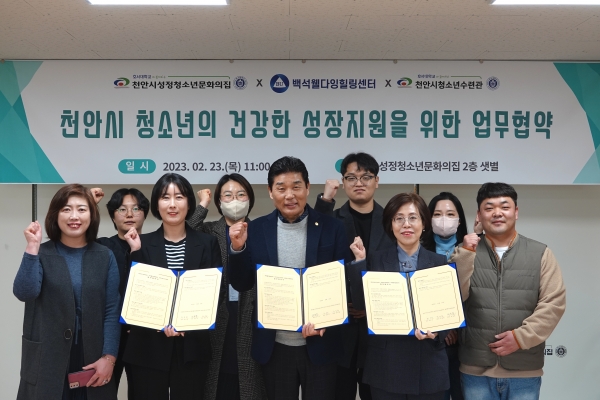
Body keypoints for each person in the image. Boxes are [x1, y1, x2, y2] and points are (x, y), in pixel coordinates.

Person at [228, 156, 348, 400]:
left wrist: (328, 318)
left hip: (320, 342)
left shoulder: (332, 228)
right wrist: (237, 249)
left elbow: (342, 284)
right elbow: (242, 283)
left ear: (308, 187)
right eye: (281, 188)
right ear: (270, 192)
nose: (290, 195)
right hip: (275, 345)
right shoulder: (257, 229)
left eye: (296, 187)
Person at [451, 182, 566, 400]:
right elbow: (452, 298)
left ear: (516, 212)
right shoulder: (465, 251)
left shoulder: (540, 253)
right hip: (476, 370)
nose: (497, 213)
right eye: (489, 208)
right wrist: (466, 253)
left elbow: (554, 303)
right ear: (479, 215)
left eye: (504, 207)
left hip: (524, 370)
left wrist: (521, 337)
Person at [13, 184, 121, 400]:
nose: (74, 216)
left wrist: (109, 358)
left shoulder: (104, 256)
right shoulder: (42, 253)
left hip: (92, 356)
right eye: (66, 209)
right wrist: (32, 248)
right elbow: (25, 293)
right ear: (55, 214)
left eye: (81, 209)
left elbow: (112, 310)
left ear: (92, 214)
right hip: (47, 355)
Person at [122, 173, 221, 400]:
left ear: (189, 203)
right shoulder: (141, 243)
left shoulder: (207, 243)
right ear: (157, 204)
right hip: (147, 346)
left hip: (192, 345)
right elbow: (134, 294)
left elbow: (216, 292)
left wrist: (187, 322)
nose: (173, 204)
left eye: (179, 197)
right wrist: (135, 252)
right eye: (165, 197)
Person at [349, 192, 450, 400]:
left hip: (428, 365)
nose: (406, 224)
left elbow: (450, 312)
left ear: (424, 223)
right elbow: (360, 303)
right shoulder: (375, 260)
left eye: (413, 218)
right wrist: (359, 261)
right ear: (391, 224)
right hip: (386, 364)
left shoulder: (439, 262)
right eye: (399, 218)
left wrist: (437, 331)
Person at [314, 152, 395, 400]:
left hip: (380, 329)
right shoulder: (333, 219)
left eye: (366, 177)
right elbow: (315, 250)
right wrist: (325, 200)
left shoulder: (392, 221)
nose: (359, 183)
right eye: (351, 177)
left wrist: (370, 306)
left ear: (376, 181)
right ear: (343, 182)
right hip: (341, 328)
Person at [188, 174, 267, 400]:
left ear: (250, 200)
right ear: (219, 202)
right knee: (216, 382)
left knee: (248, 384)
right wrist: (202, 205)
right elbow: (186, 231)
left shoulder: (260, 230)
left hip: (251, 316)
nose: (235, 200)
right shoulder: (209, 231)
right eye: (228, 195)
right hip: (218, 316)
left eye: (241, 195)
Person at [91, 187, 150, 398]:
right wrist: (90, 204)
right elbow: (79, 235)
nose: (129, 214)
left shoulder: (153, 246)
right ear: (113, 216)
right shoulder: (102, 247)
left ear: (145, 213)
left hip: (143, 335)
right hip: (109, 333)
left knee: (143, 392)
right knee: (103, 391)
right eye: (122, 209)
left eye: (136, 208)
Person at [424, 192, 471, 400]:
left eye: (450, 214)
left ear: (459, 220)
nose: (444, 219)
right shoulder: (419, 250)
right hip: (430, 342)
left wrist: (455, 327)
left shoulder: (471, 249)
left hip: (466, 343)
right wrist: (443, 328)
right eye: (437, 214)